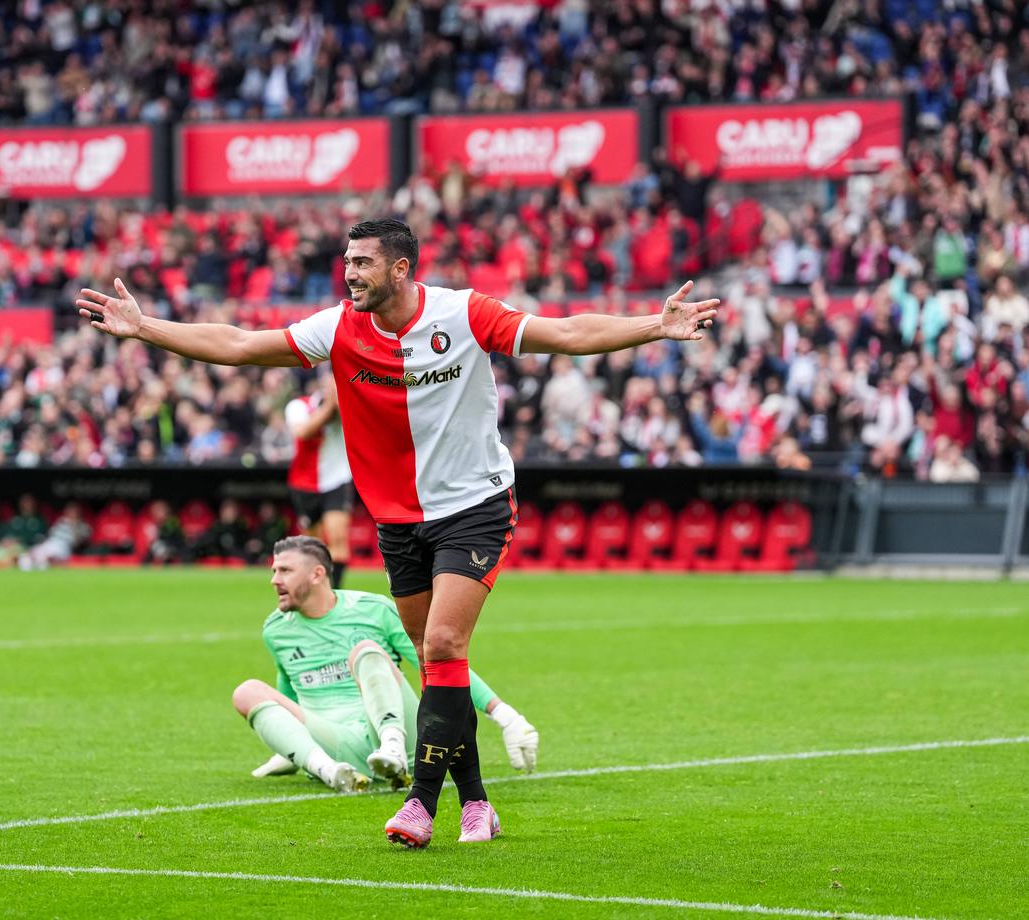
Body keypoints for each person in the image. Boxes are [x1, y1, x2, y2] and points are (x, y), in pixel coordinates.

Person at [77, 217, 718, 847]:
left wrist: (654, 327)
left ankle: (420, 802)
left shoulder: (465, 314)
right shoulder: (338, 327)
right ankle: (476, 803)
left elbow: (568, 331)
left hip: (474, 504)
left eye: (362, 262)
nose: (349, 273)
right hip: (398, 519)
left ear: (400, 269)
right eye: (347, 261)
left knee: (440, 642)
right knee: (439, 664)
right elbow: (241, 345)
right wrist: (145, 328)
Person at [233, 536, 539, 795]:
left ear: (316, 575)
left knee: (365, 650)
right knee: (247, 691)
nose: (274, 579)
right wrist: (287, 746)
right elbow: (289, 690)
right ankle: (328, 772)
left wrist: (505, 716)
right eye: (274, 570)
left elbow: (444, 663)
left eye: (284, 570)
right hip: (335, 743)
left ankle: (393, 748)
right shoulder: (276, 628)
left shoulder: (373, 611)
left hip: (392, 731)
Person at [285, 372, 355, 586]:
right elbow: (304, 432)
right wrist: (330, 406)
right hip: (304, 484)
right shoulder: (298, 406)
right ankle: (316, 590)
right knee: (312, 544)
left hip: (337, 480)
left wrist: (340, 403)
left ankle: (336, 594)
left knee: (338, 539)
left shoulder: (347, 407)